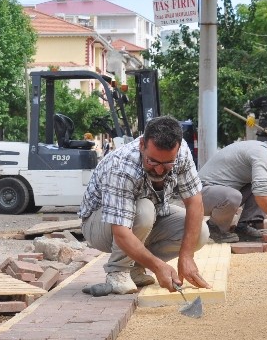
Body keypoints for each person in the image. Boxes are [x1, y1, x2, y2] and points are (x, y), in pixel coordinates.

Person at [78, 115, 212, 296]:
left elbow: (194, 202)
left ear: (178, 149)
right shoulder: (122, 166)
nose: (159, 169)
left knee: (200, 232)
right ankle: (118, 271)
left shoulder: (182, 153)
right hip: (99, 225)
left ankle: (135, 268)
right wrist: (158, 267)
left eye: (167, 163)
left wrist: (186, 256)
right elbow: (121, 232)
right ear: (142, 145)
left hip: (148, 216)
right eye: (153, 161)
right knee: (144, 210)